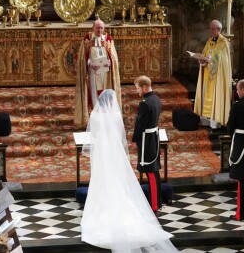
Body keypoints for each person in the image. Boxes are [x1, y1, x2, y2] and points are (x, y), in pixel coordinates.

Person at [81, 89, 178, 253]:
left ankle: (101, 209)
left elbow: (94, 135)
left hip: (100, 152)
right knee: (117, 179)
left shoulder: (95, 115)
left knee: (101, 179)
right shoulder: (115, 115)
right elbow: (120, 136)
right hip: (114, 150)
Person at [74, 19, 121, 127]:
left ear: (104, 29)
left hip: (105, 73)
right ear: (93, 28)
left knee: (105, 93)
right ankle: (95, 118)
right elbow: (82, 57)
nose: (99, 30)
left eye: (101, 28)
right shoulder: (87, 39)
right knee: (94, 93)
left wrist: (110, 62)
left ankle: (106, 117)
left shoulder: (108, 39)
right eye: (97, 27)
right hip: (92, 72)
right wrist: (89, 64)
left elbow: (113, 57)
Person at [194, 19, 232, 129]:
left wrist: (208, 62)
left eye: (212, 28)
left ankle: (215, 123)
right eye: (210, 28)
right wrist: (201, 60)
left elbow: (223, 63)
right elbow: (205, 54)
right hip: (207, 75)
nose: (210, 31)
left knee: (216, 97)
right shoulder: (209, 41)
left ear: (218, 29)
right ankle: (206, 121)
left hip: (217, 78)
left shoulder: (224, 43)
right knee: (206, 95)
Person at [132, 76, 162, 212]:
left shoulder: (145, 103)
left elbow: (140, 125)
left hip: (147, 140)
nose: (137, 91)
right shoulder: (155, 99)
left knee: (150, 171)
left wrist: (134, 138)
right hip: (154, 137)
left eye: (138, 88)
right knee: (154, 171)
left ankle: (154, 205)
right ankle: (157, 201)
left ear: (144, 87)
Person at [227, 79, 244, 221]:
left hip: (242, 144)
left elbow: (230, 127)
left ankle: (240, 215)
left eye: (238, 90)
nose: (237, 92)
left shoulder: (237, 106)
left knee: (243, 180)